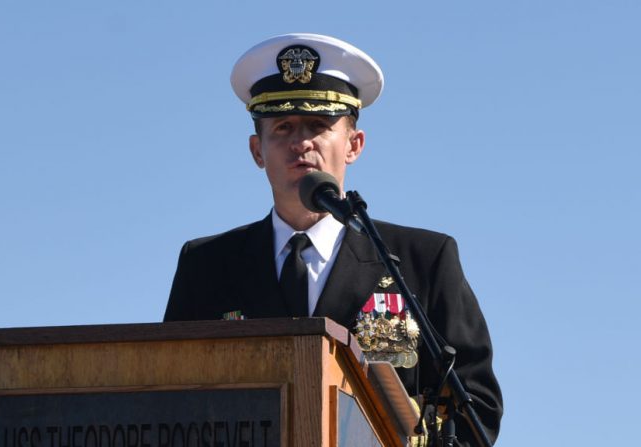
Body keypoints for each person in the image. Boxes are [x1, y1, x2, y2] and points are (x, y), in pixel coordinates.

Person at [163, 33, 502, 446]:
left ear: (354, 145)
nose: (300, 142)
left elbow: (476, 407)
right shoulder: (207, 265)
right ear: (257, 150)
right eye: (282, 127)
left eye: (319, 126)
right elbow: (172, 399)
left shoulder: (422, 260)